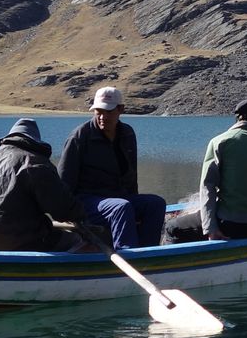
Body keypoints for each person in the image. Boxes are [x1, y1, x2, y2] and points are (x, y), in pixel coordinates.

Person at [164, 99, 247, 243]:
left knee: (171, 227)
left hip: (229, 225)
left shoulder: (219, 142)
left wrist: (210, 228)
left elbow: (208, 188)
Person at [58, 86, 166, 250]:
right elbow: (64, 181)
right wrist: (69, 215)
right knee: (121, 207)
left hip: (117, 197)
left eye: (108, 111)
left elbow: (131, 175)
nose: (102, 117)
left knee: (156, 203)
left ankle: (147, 253)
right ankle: (128, 255)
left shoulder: (127, 133)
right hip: (86, 201)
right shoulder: (80, 137)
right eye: (98, 111)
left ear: (120, 109)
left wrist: (134, 203)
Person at [0, 118, 83, 251]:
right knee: (77, 240)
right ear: (35, 141)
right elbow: (62, 209)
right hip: (23, 243)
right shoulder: (36, 163)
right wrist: (82, 216)